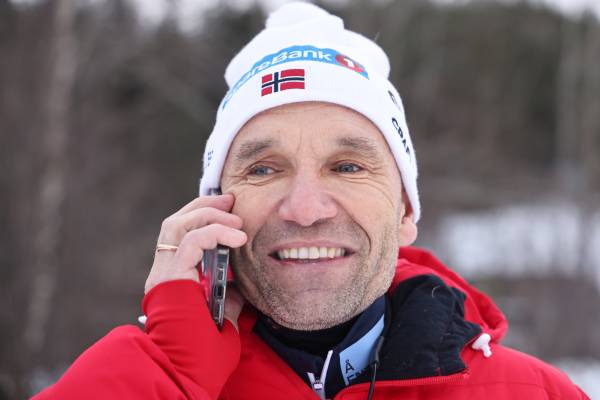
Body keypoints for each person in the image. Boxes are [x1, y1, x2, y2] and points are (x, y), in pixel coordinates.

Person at [33, 3, 589, 399]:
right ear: (213, 211)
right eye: (263, 169)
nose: (304, 209)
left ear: (404, 212)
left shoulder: (532, 392)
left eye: (347, 167)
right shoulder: (155, 382)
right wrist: (165, 377)